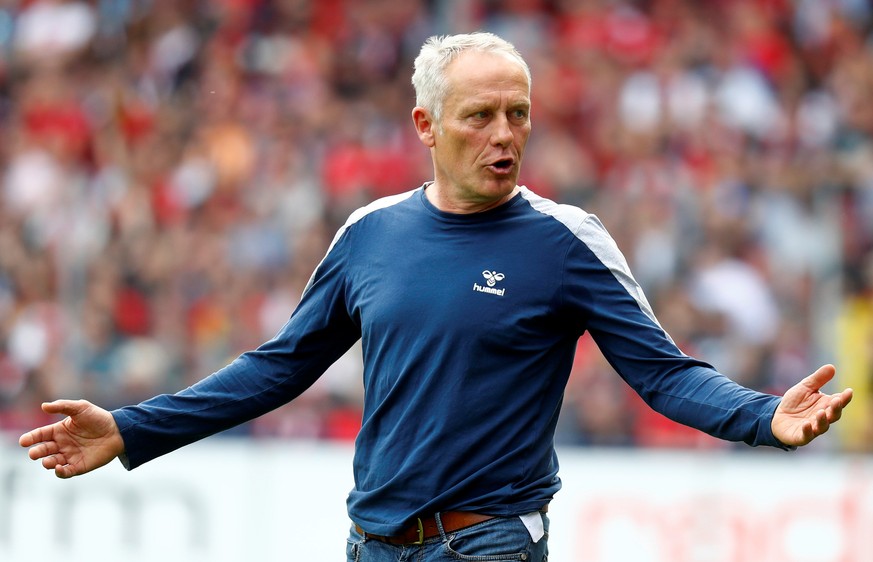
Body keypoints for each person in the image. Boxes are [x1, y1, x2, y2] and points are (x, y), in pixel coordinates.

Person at [19, 32, 853, 562]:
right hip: (372, 542)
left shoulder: (566, 240)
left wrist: (761, 418)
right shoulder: (369, 234)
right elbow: (277, 369)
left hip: (487, 543)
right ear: (425, 125)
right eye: (480, 116)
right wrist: (133, 429)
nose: (504, 136)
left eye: (518, 115)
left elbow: (664, 375)